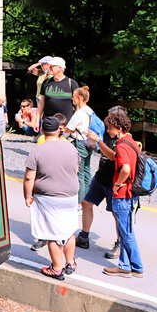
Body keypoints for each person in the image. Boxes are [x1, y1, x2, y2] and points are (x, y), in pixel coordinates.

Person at [23, 116, 81, 280]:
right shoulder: (71, 148)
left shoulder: (37, 151)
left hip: (48, 197)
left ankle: (57, 268)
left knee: (52, 233)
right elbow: (75, 170)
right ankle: (70, 262)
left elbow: (29, 178)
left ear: (42, 131)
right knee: (68, 230)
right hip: (70, 195)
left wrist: (28, 196)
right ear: (59, 130)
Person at [101, 110, 143, 277]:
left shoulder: (121, 145)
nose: (108, 132)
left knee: (126, 233)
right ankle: (125, 266)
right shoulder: (131, 141)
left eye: (110, 128)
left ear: (118, 128)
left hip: (122, 194)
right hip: (131, 194)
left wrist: (118, 184)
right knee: (126, 230)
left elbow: (125, 168)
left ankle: (137, 266)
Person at [82, 105, 129, 255]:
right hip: (101, 177)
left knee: (116, 213)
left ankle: (120, 244)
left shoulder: (123, 139)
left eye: (110, 119)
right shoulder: (109, 134)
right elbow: (104, 154)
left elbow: (113, 156)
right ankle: (84, 236)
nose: (107, 123)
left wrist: (98, 141)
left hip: (113, 181)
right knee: (86, 202)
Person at [64, 86, 96, 231]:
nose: (72, 98)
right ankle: (87, 198)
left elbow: (69, 129)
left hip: (79, 143)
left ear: (78, 98)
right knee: (87, 171)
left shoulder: (78, 113)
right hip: (89, 142)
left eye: (74, 96)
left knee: (80, 173)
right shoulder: (90, 111)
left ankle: (80, 203)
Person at [37, 57, 79, 124]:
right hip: (48, 123)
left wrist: (75, 123)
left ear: (60, 68)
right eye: (49, 66)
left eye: (52, 66)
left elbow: (78, 105)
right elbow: (41, 102)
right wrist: (37, 121)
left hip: (66, 125)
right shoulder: (46, 82)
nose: (49, 68)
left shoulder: (71, 83)